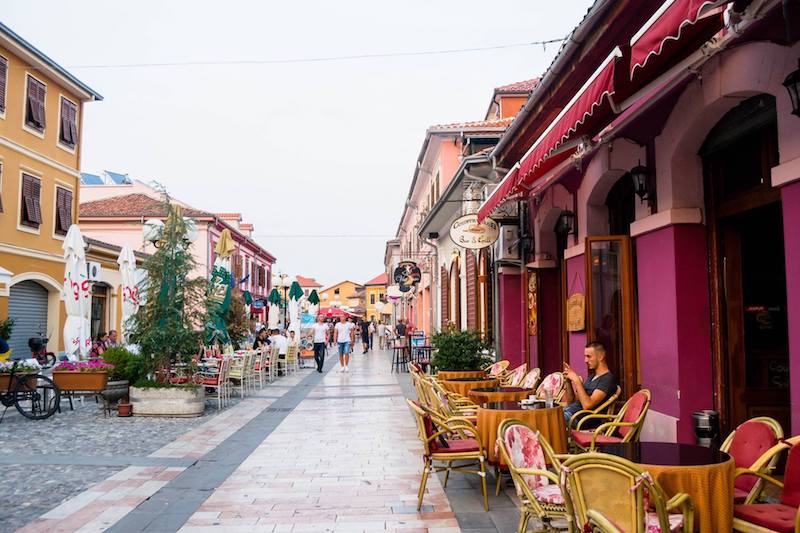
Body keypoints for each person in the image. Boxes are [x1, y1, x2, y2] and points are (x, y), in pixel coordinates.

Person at [562, 341, 617, 426]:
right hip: (568, 412)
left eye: (589, 356)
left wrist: (576, 380)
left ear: (600, 357)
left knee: (544, 421)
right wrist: (568, 382)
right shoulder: (592, 377)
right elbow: (571, 402)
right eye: (585, 356)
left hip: (579, 419)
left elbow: (587, 405)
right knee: (540, 415)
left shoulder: (607, 379)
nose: (585, 360)